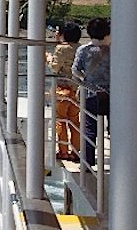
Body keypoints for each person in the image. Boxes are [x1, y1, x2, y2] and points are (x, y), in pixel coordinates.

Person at [72, 17, 110, 167]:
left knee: (89, 128)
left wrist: (86, 78)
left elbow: (75, 70)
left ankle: (87, 162)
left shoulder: (84, 49)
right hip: (113, 94)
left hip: (91, 93)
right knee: (115, 128)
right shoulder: (115, 49)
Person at [48, 22, 82, 161]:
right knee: (75, 122)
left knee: (60, 120)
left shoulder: (61, 49)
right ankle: (75, 151)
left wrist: (48, 58)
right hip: (76, 89)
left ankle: (63, 151)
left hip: (62, 89)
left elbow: (54, 68)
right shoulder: (80, 48)